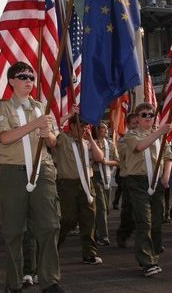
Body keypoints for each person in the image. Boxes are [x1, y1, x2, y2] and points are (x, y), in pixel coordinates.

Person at [0, 62, 62, 293]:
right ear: (11, 81)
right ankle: (14, 283)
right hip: (14, 173)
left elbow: (53, 142)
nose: (28, 80)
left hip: (42, 171)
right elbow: (4, 138)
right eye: (22, 76)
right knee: (14, 231)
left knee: (49, 226)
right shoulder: (3, 108)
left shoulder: (41, 107)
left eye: (31, 77)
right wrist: (35, 125)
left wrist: (47, 133)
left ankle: (49, 280)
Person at [121, 103, 172, 277]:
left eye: (151, 115)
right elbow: (139, 146)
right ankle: (146, 261)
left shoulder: (159, 135)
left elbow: (167, 156)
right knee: (144, 221)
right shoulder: (131, 135)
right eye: (144, 115)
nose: (148, 118)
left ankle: (154, 255)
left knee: (157, 221)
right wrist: (159, 132)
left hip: (156, 181)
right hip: (137, 181)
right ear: (137, 118)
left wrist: (165, 177)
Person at [54, 111, 104, 265]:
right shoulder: (63, 139)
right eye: (81, 125)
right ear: (73, 126)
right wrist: (69, 115)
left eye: (86, 126)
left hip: (87, 184)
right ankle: (53, 248)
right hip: (68, 185)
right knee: (68, 219)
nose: (84, 128)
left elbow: (99, 158)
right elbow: (53, 127)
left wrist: (90, 139)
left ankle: (89, 253)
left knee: (89, 218)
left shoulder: (87, 143)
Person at [91, 122, 118, 246]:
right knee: (101, 206)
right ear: (96, 129)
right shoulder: (91, 144)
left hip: (107, 177)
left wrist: (106, 162)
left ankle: (96, 231)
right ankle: (103, 236)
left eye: (107, 128)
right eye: (103, 127)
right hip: (96, 177)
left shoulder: (110, 145)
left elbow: (118, 162)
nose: (106, 129)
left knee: (106, 208)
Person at [115, 113, 138, 248]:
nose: (137, 125)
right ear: (128, 125)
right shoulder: (124, 140)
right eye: (134, 123)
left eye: (138, 122)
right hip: (128, 177)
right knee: (128, 210)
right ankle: (123, 233)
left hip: (142, 178)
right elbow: (125, 153)